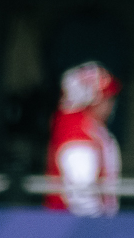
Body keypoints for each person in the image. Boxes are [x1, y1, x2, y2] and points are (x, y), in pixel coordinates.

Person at [45, 62, 121, 217]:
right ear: (92, 99)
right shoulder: (76, 132)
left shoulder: (90, 128)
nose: (111, 105)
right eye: (107, 98)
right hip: (73, 227)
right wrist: (97, 228)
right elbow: (81, 195)